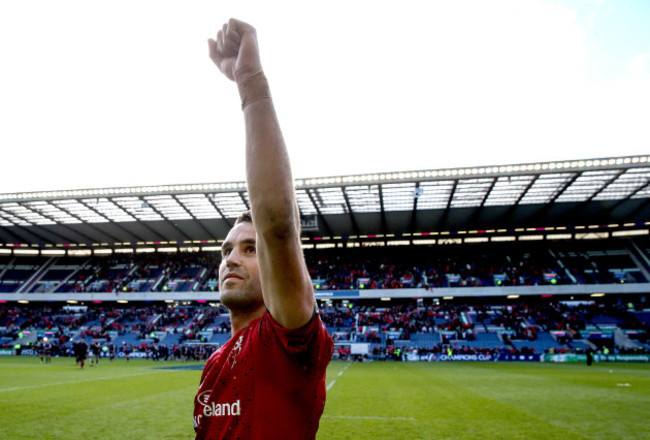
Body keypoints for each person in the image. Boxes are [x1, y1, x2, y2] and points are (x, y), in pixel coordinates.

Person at [193, 18, 334, 440]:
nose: (231, 258)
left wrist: (250, 83)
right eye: (226, 250)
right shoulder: (214, 365)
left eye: (250, 249)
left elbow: (277, 225)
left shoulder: (287, 340)